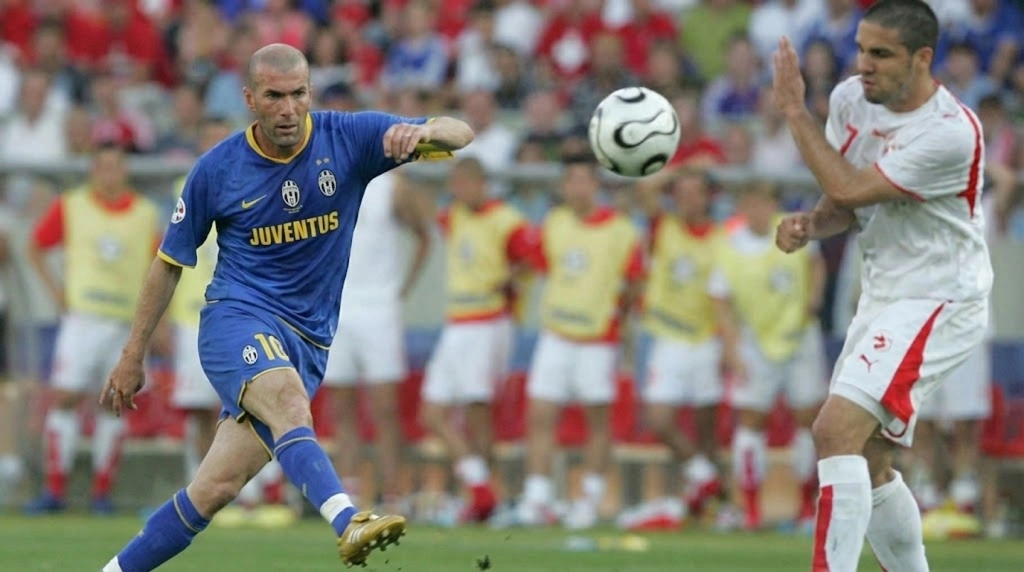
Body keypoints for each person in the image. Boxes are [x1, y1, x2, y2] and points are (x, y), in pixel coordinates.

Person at [98, 44, 473, 571]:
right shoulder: (218, 169)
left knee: (214, 489)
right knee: (290, 404)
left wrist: (423, 134)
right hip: (237, 320)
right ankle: (348, 520)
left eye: (298, 94)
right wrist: (133, 352)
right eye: (274, 96)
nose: (289, 109)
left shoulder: (348, 139)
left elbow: (460, 133)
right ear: (250, 99)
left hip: (308, 342)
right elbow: (168, 263)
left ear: (310, 92)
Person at [771, 0, 991, 569]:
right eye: (861, 50)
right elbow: (844, 199)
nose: (864, 65)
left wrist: (794, 111)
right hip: (884, 293)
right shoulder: (851, 100)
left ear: (922, 58)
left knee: (834, 431)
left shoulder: (951, 132)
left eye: (882, 54)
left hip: (940, 296)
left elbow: (850, 188)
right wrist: (812, 224)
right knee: (868, 461)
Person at [24, 144, 162, 515]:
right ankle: (55, 489)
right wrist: (56, 292)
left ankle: (103, 493)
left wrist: (156, 322)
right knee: (66, 396)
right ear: (93, 170)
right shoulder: (72, 205)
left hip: (125, 324)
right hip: (83, 319)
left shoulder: (145, 214)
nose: (108, 173)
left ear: (125, 170)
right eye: (102, 166)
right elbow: (36, 246)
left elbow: (159, 266)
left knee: (113, 403)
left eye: (115, 165)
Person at [169, 117, 290, 527]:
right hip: (192, 315)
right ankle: (208, 492)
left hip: (246, 314)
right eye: (207, 141)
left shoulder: (260, 186)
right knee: (199, 409)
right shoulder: (185, 188)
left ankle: (265, 489)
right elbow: (169, 256)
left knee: (257, 402)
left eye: (221, 141)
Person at [517, 154, 645, 529]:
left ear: (596, 186)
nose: (577, 187)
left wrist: (618, 321)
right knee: (540, 415)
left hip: (598, 340)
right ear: (563, 186)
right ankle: (537, 498)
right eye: (571, 180)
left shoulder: (622, 230)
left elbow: (635, 282)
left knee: (597, 422)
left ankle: (588, 501)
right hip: (556, 335)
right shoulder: (554, 222)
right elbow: (541, 266)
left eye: (584, 180)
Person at [420, 156, 534, 523]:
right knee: (431, 412)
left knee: (477, 410)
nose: (458, 191)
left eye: (465, 183)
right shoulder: (454, 216)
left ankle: (486, 496)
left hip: (488, 322)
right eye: (454, 184)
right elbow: (426, 214)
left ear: (481, 183)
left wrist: (510, 283)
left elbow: (531, 259)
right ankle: (481, 487)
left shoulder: (507, 220)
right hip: (458, 320)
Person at [709, 181, 827, 532]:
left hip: (799, 337)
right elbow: (720, 300)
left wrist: (814, 300)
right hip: (755, 342)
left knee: (808, 419)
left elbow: (817, 264)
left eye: (764, 203)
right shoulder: (729, 245)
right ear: (742, 206)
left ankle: (805, 506)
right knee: (751, 420)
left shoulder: (793, 229)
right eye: (751, 203)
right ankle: (751, 508)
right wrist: (732, 349)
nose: (758, 210)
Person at [617, 170, 725, 531]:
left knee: (706, 427)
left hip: (707, 338)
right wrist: (686, 167)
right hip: (667, 337)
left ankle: (710, 506)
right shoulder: (664, 226)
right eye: (681, 193)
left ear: (708, 197)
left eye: (695, 192)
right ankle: (706, 478)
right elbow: (643, 187)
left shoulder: (722, 238)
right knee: (659, 419)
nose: (687, 200)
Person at [323, 167, 432, 510]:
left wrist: (402, 290)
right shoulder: (323, 180)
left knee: (385, 408)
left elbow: (424, 235)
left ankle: (392, 491)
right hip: (337, 307)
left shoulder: (391, 186)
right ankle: (350, 491)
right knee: (343, 406)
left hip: (379, 310)